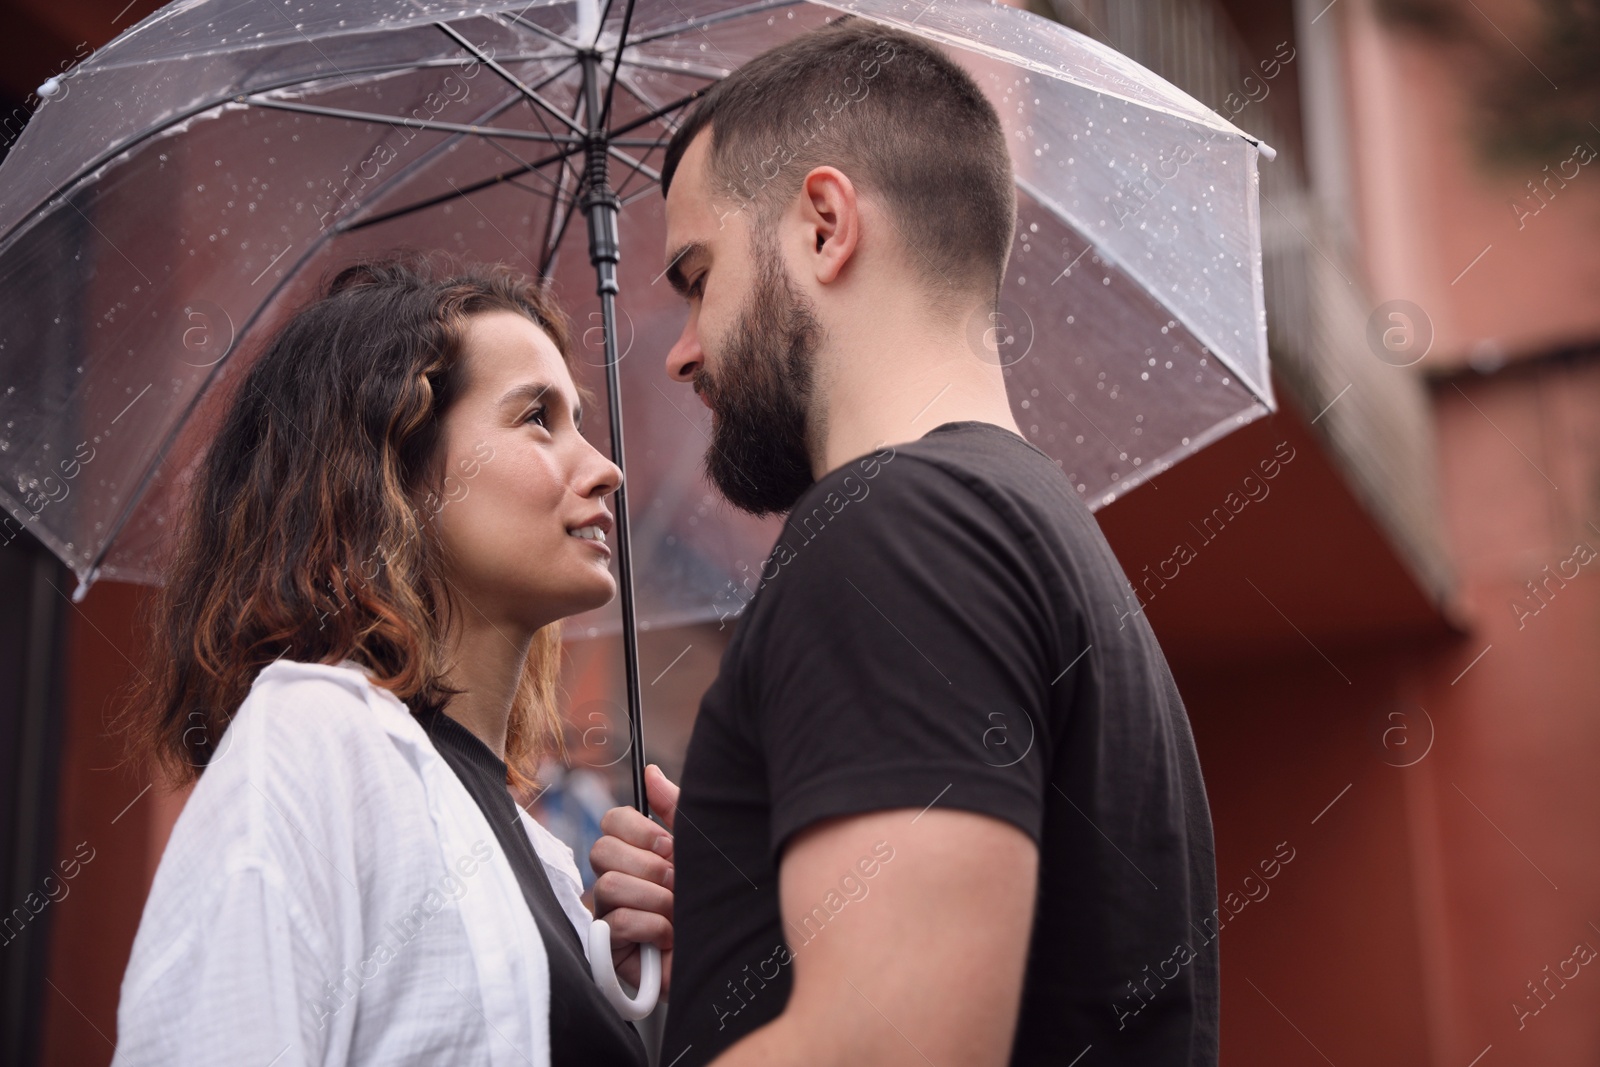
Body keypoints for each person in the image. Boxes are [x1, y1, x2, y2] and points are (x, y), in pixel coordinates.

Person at [589, 16, 1220, 1066]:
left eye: (698, 276)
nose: (682, 354)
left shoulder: (892, 535)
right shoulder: (1027, 527)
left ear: (825, 226)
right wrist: (748, 907)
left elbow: (887, 1045)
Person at [110, 253, 670, 1066]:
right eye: (537, 418)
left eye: (580, 419)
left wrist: (606, 975)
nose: (605, 469)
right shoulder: (313, 737)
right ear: (393, 475)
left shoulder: (527, 845)